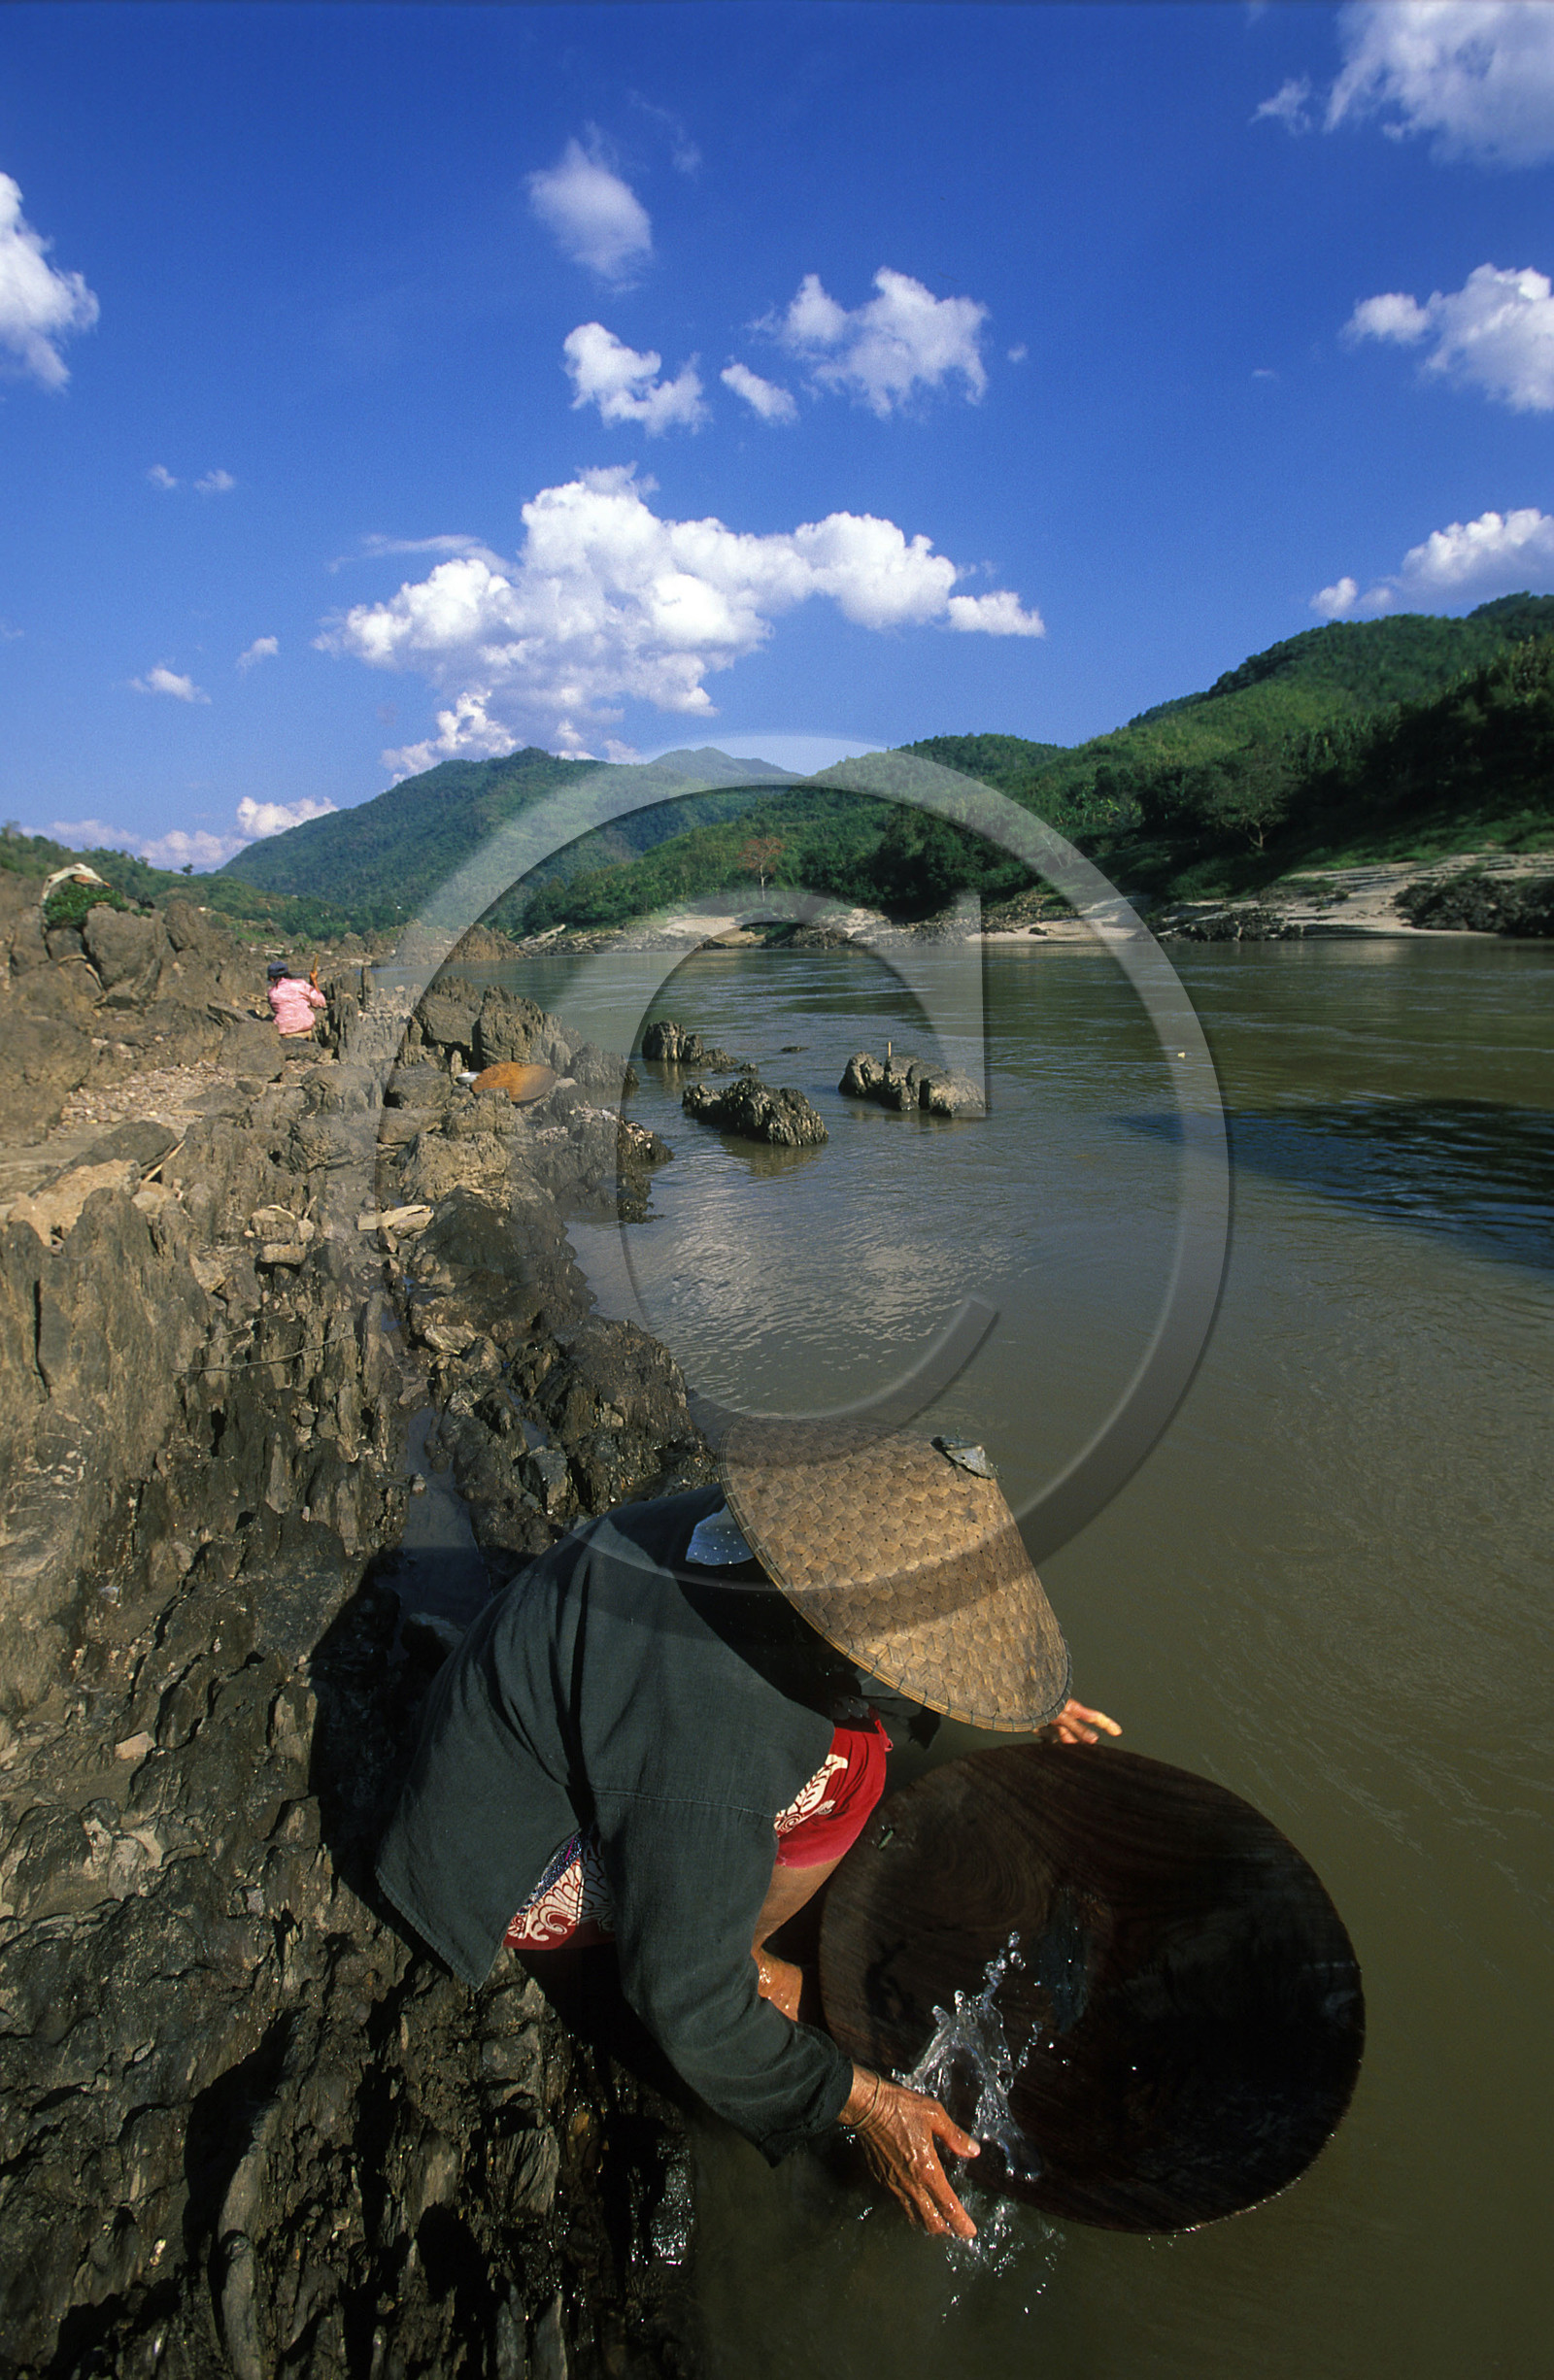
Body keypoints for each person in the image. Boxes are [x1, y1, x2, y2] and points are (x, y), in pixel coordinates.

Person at [376, 1425, 1119, 2241]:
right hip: (501, 1853)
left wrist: (1017, 1692)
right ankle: (744, 1953)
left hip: (545, 1695)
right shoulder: (722, 1723)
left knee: (851, 1747)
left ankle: (725, 1911)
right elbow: (681, 1995)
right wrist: (864, 2102)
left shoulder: (765, 1541)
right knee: (847, 1772)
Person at [267, 956, 325, 1050]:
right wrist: (314, 981)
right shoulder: (300, 984)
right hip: (305, 1030)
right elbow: (321, 1002)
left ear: (272, 978)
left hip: (285, 1033)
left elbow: (276, 1009)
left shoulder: (272, 993)